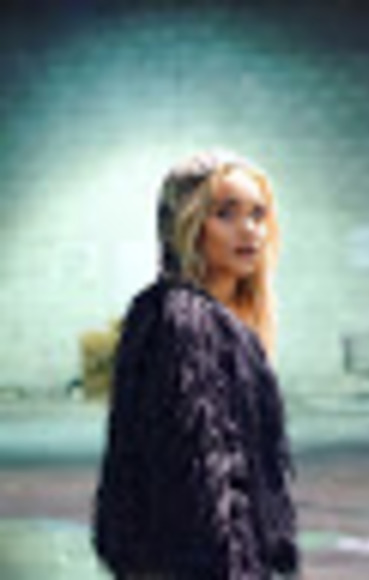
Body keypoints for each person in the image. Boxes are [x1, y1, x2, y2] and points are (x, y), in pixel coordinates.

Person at [92, 150, 300, 579]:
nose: (249, 230)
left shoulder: (200, 320)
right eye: (225, 213)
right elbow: (201, 473)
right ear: (186, 224)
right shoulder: (185, 322)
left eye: (258, 214)